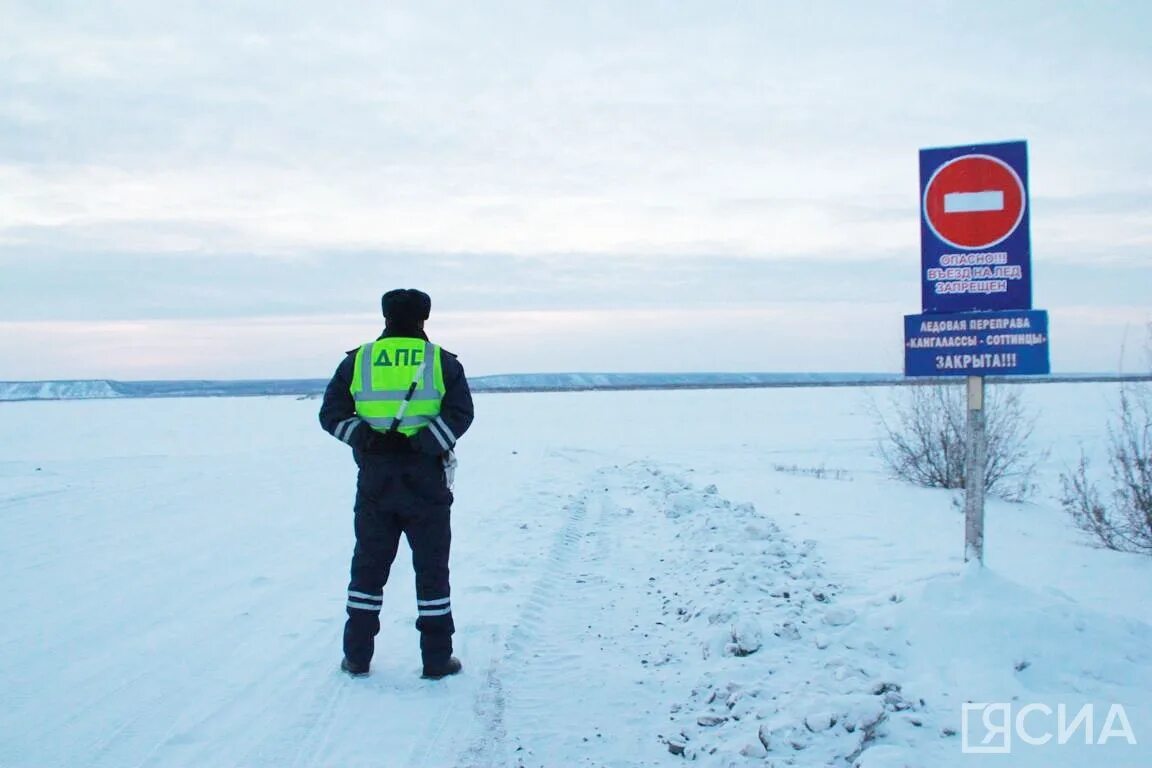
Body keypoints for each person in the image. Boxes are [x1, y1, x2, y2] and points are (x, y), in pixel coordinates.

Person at [318, 288, 474, 679]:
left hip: (375, 479)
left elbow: (331, 414)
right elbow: (461, 414)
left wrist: (368, 439)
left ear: (385, 315)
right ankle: (437, 660)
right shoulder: (440, 360)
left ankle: (357, 656)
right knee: (432, 570)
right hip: (426, 478)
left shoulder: (359, 360)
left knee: (368, 568)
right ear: (425, 318)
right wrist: (421, 444)